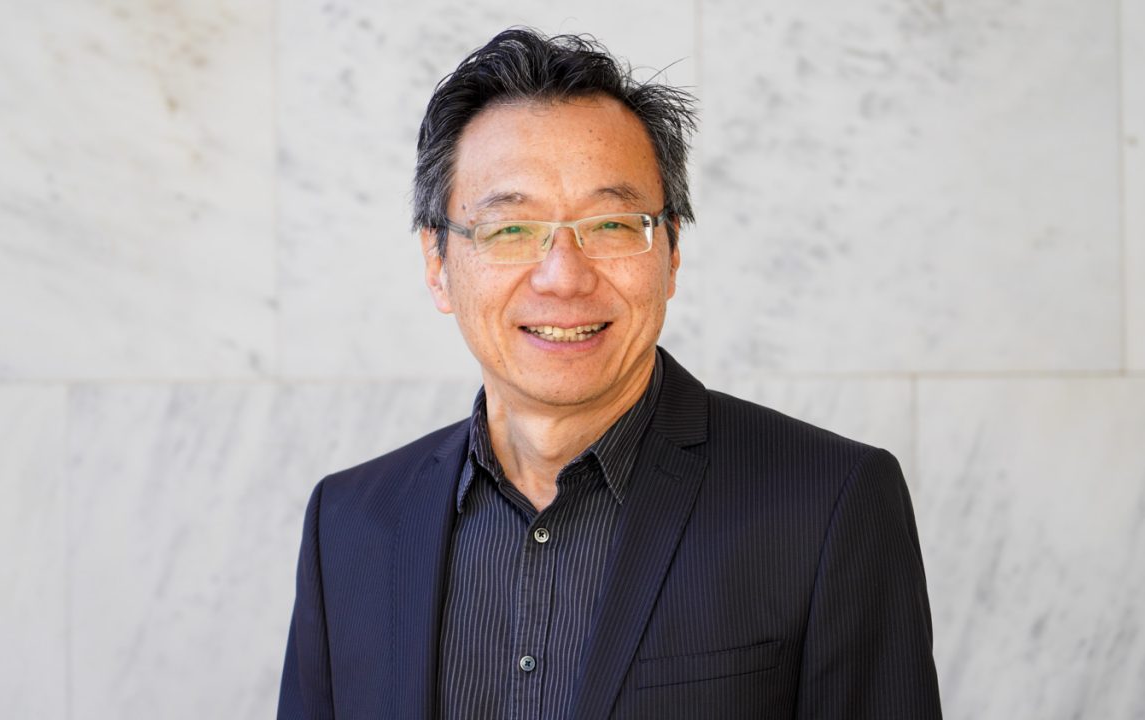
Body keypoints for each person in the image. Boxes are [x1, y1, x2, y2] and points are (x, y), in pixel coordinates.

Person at [277, 27, 942, 720]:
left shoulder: (828, 503)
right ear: (438, 263)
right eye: (510, 229)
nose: (563, 277)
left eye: (613, 224)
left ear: (672, 252)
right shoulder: (350, 525)